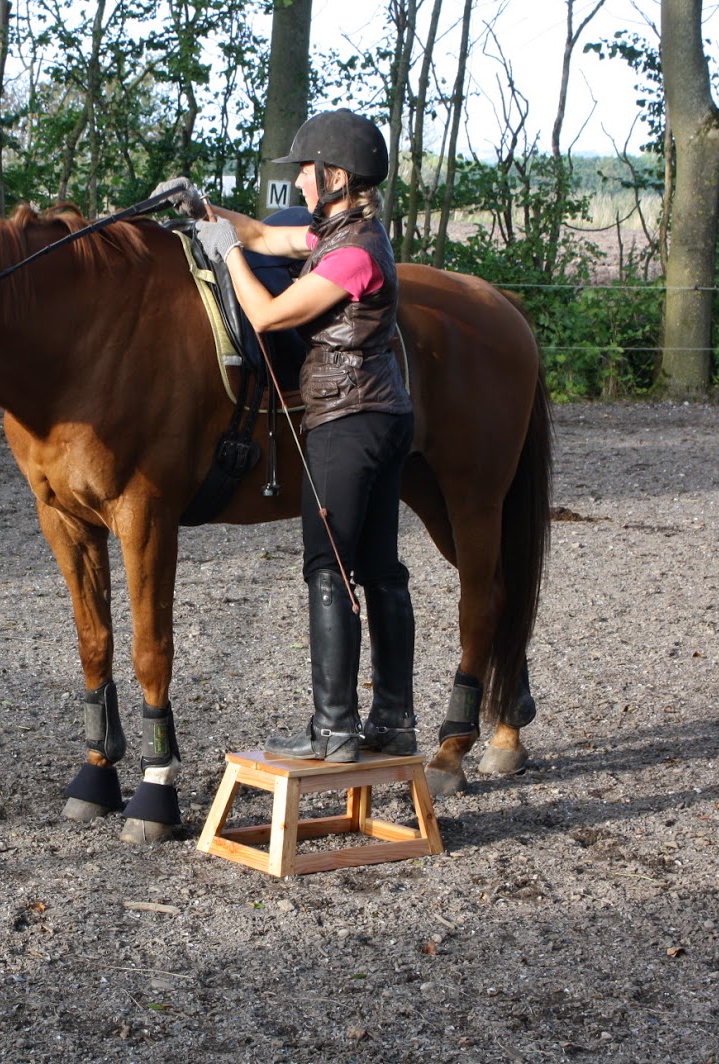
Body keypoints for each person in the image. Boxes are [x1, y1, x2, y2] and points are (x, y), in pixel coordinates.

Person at [193, 109, 417, 763]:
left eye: (309, 175)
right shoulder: (346, 233)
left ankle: (335, 728)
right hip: (382, 415)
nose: (303, 186)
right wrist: (210, 214)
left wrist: (224, 253)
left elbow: (263, 314)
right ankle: (393, 723)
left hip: (349, 421)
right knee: (379, 571)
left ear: (337, 175)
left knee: (330, 569)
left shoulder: (351, 254)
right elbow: (264, 232)